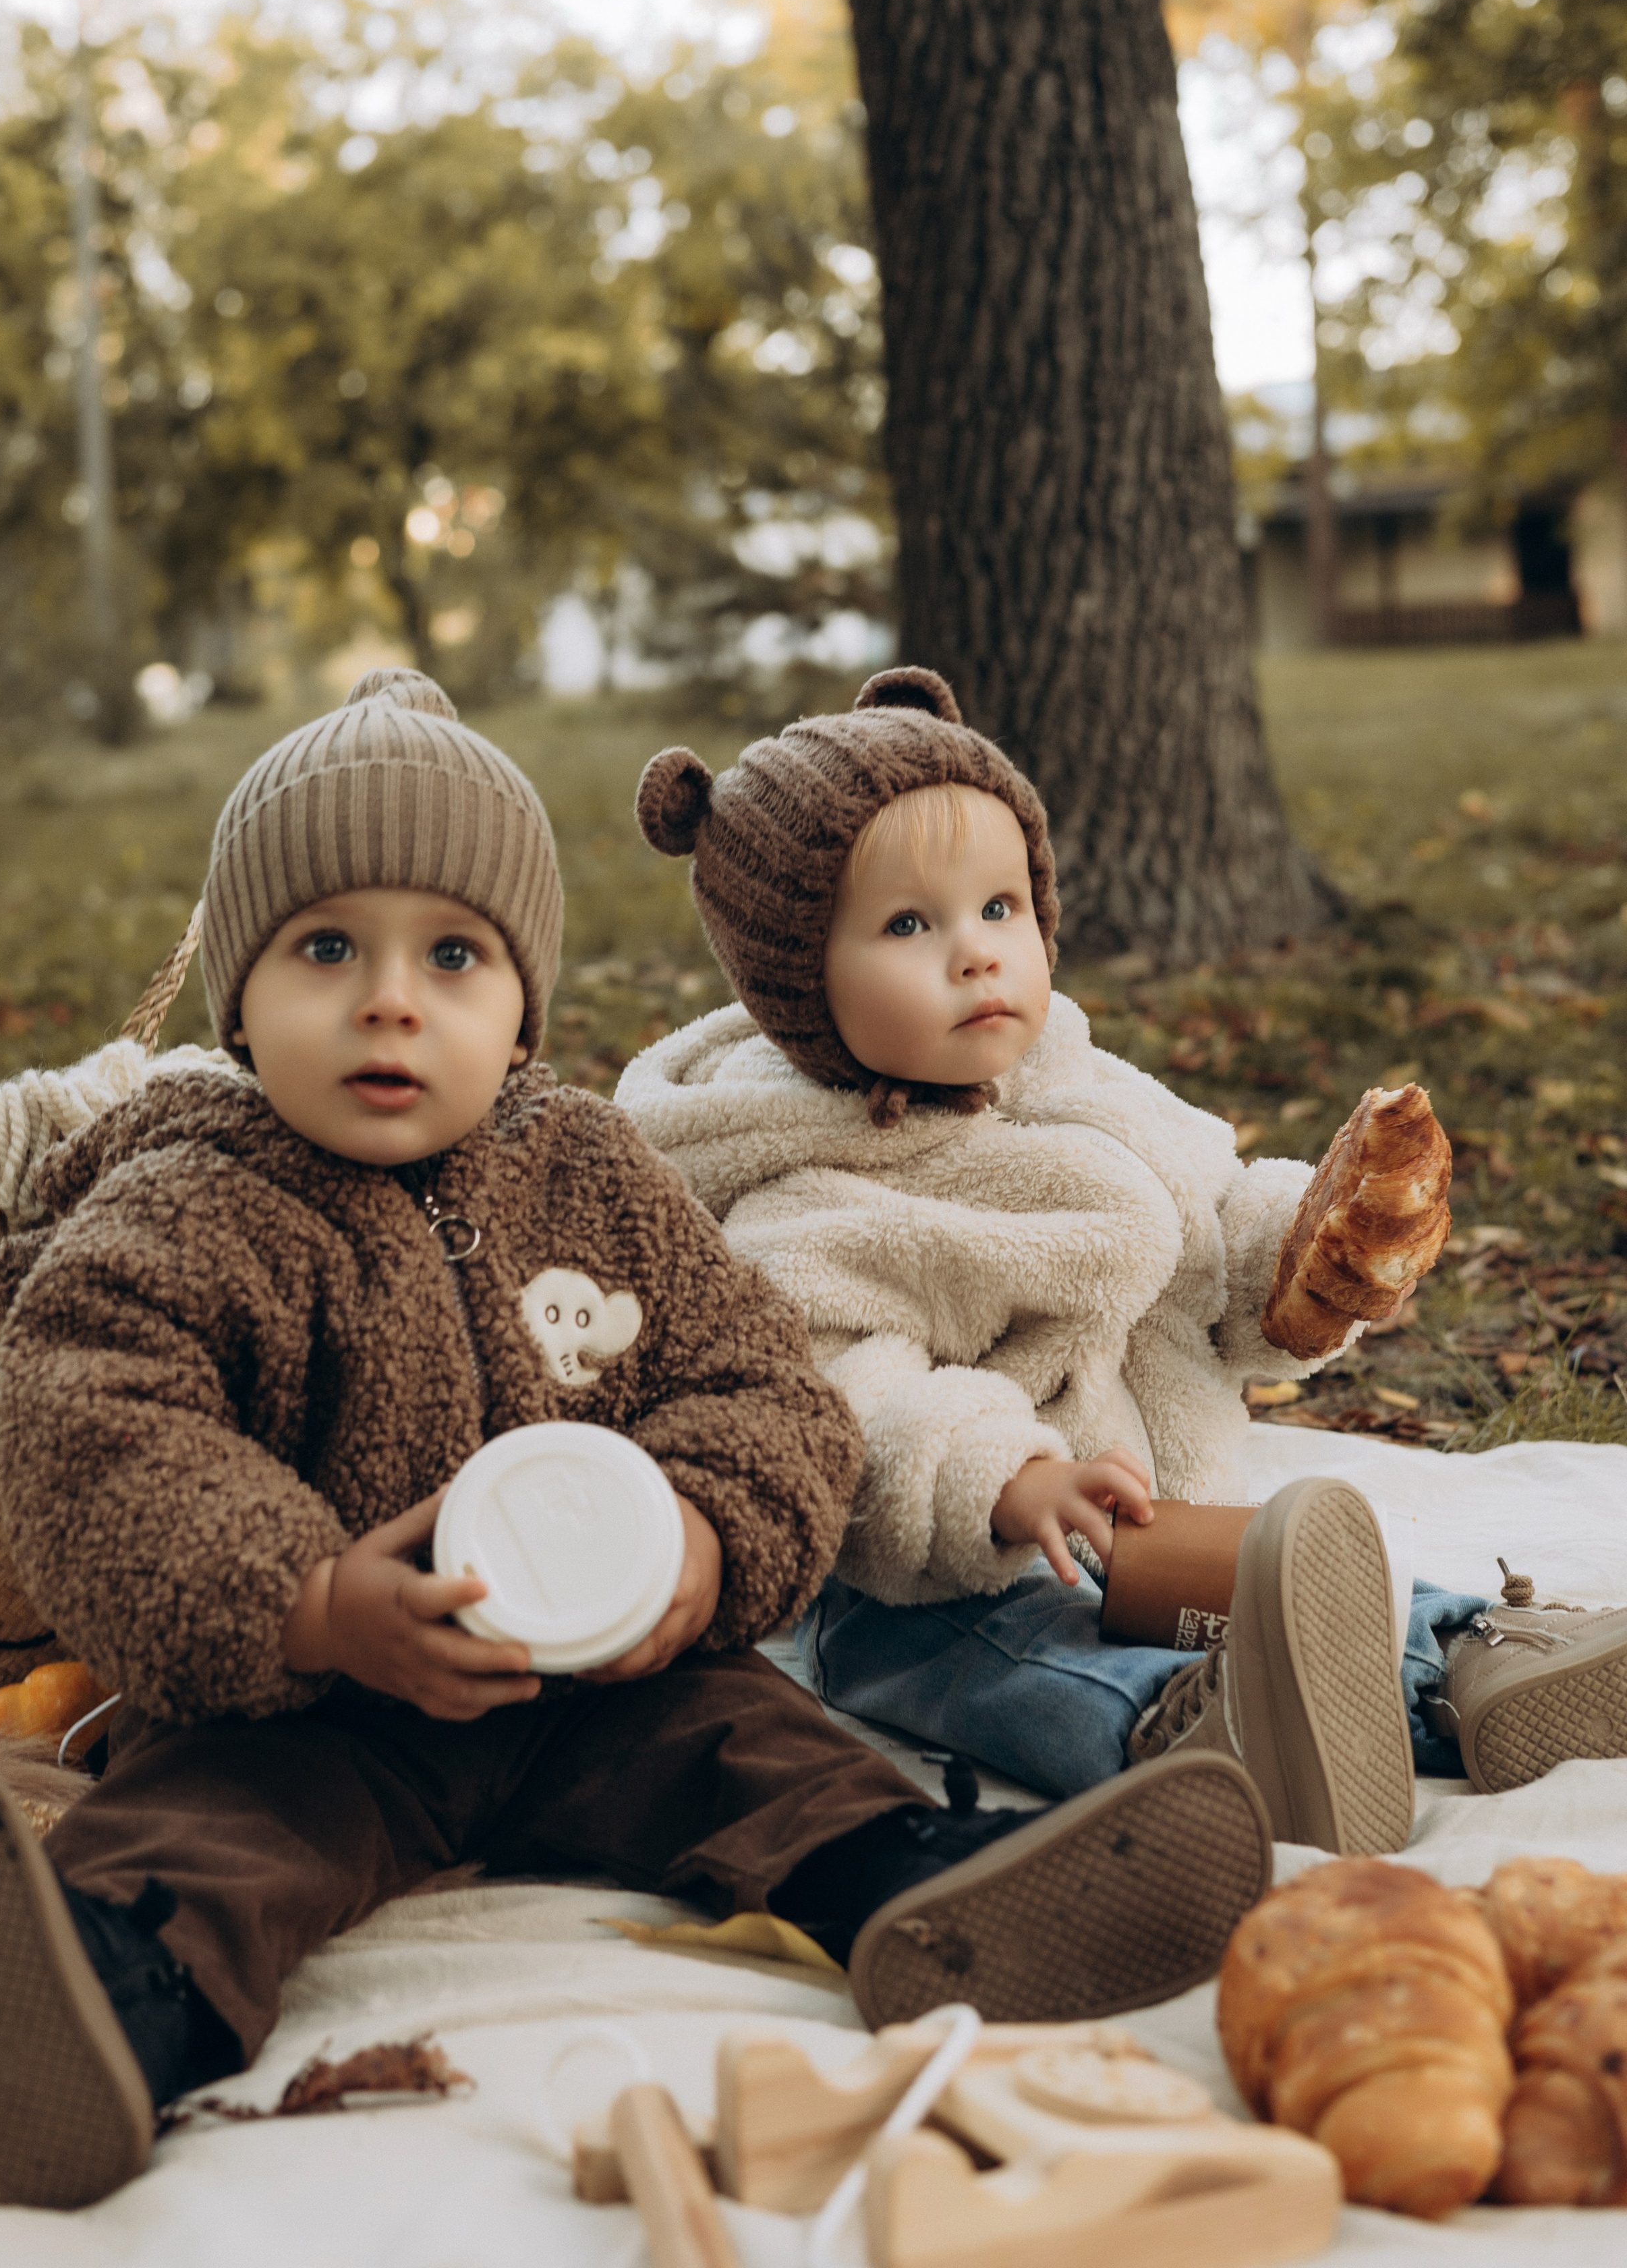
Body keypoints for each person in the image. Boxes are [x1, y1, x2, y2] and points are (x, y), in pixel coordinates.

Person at [0, 669, 1276, 2215]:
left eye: (455, 954)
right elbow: (101, 1441)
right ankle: (102, 2008)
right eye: (326, 948)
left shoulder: (589, 1173)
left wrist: (700, 1540)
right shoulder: (179, 1208)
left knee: (763, 1752)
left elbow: (762, 1385)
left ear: (522, 1003)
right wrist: (313, 1602)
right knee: (214, 1844)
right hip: (307, 1700)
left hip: (606, 1677)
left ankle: (931, 1897)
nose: (390, 998)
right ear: (236, 998)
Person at [619, 666, 1627, 1837]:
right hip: (940, 1569)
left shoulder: (1074, 1082)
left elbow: (1203, 1220)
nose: (976, 953)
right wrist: (1004, 1481)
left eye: (999, 908)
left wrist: (1298, 1265)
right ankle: (1194, 1735)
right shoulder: (803, 1196)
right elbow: (844, 1403)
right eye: (909, 925)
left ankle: (1460, 1656)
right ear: (798, 977)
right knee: (1015, 1661)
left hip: (1154, 1522)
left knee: (1283, 1584)